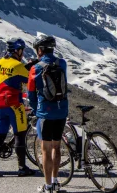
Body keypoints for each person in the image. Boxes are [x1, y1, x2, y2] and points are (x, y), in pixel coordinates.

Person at [0, 37, 35, 177]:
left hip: (0, 105)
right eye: (22, 51)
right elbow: (30, 81)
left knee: (0, 136)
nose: (23, 54)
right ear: (18, 51)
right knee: (19, 135)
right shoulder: (18, 66)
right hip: (14, 105)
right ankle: (21, 167)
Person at [28, 35, 68, 193]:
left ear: (40, 50)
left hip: (45, 112)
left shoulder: (36, 68)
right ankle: (56, 181)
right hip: (62, 110)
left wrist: (35, 109)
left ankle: (48, 185)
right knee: (56, 147)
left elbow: (31, 93)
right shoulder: (62, 63)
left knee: (45, 148)